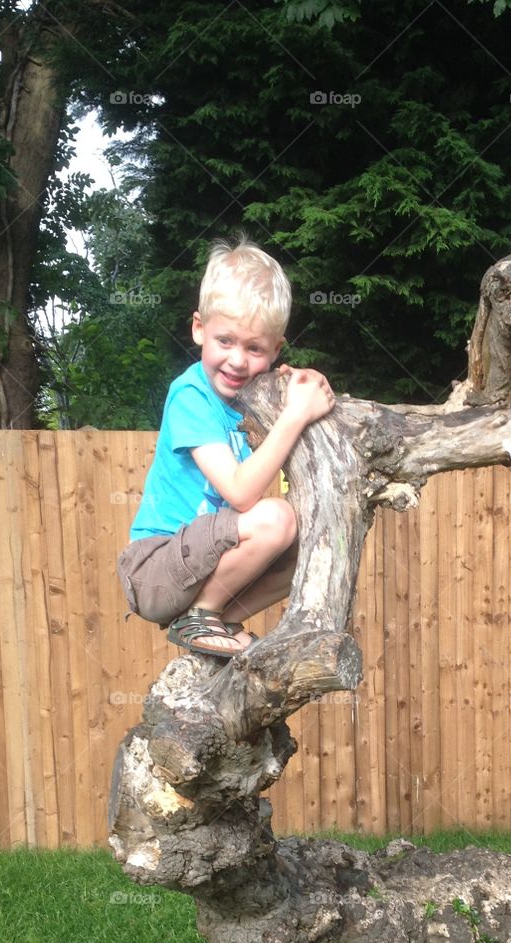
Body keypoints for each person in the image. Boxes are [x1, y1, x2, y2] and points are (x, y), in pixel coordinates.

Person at [116, 235, 335, 657]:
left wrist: (305, 386)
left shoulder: (252, 396)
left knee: (313, 540)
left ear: (275, 350)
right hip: (153, 567)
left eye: (255, 349)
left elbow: (301, 395)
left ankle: (214, 617)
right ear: (199, 329)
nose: (237, 360)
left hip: (204, 565)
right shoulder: (191, 396)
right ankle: (201, 616)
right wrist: (294, 415)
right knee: (275, 518)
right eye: (226, 341)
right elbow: (238, 491)